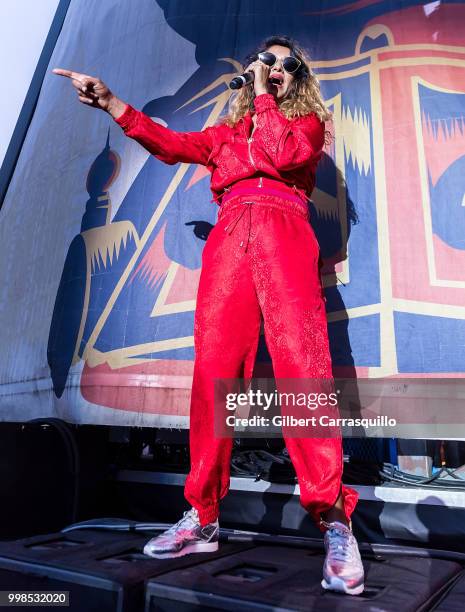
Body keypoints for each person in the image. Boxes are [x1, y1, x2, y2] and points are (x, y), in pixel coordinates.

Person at [53, 34, 364, 596]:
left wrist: (266, 95)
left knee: (303, 371)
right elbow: (170, 144)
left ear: (297, 78)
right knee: (214, 377)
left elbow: (283, 154)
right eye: (264, 63)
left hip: (286, 233)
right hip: (230, 243)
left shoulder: (307, 127)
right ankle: (203, 517)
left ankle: (334, 521)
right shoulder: (224, 137)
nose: (273, 70)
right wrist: (113, 104)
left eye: (284, 65)